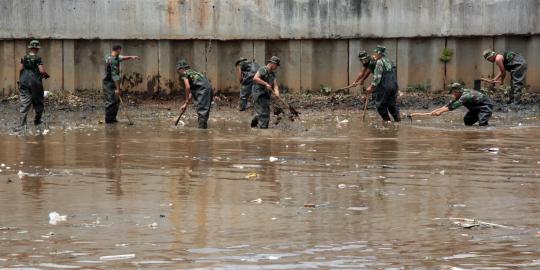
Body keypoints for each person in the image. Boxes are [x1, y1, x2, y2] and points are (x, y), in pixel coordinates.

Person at [14, 40, 49, 132]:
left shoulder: (24, 58)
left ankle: (22, 124)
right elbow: (41, 71)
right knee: (38, 102)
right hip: (35, 83)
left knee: (25, 102)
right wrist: (46, 74)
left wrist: (21, 80)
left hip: (24, 82)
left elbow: (21, 69)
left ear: (30, 48)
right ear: (37, 48)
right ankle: (37, 121)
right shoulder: (38, 59)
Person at [102, 44, 139, 124]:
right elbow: (115, 76)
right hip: (110, 83)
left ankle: (113, 119)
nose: (120, 52)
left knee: (116, 100)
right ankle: (109, 121)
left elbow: (120, 58)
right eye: (120, 50)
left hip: (107, 81)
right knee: (111, 101)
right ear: (118, 50)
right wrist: (118, 89)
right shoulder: (114, 61)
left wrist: (131, 57)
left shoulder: (108, 57)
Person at [366, 45, 400, 123]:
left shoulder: (379, 62)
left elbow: (377, 78)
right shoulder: (388, 60)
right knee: (392, 105)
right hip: (394, 86)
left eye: (375, 53)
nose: (374, 54)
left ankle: (387, 122)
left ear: (379, 53)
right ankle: (398, 121)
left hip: (385, 86)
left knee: (380, 105)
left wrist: (371, 87)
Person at [177, 60, 213, 129]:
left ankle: (201, 132)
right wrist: (186, 105)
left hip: (203, 89)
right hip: (209, 89)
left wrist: (186, 101)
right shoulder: (194, 73)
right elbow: (192, 92)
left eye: (178, 71)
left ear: (182, 69)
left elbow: (187, 87)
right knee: (205, 110)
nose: (179, 73)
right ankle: (203, 127)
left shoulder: (185, 73)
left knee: (202, 111)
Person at [251, 56, 281, 129]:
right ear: (272, 63)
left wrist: (277, 93)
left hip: (266, 95)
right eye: (276, 65)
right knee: (264, 113)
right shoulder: (263, 69)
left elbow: (275, 85)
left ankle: (256, 120)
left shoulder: (272, 74)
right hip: (259, 93)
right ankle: (263, 129)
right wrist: (266, 84)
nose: (276, 67)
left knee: (265, 111)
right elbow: (255, 78)